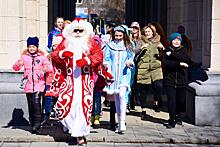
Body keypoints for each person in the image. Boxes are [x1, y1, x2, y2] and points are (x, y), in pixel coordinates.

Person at [49, 18, 103, 145]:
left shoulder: (91, 44)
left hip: (85, 82)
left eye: (80, 30)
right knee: (62, 108)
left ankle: (80, 135)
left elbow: (99, 56)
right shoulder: (65, 42)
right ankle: (72, 128)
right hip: (69, 81)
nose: (78, 33)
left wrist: (88, 61)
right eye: (75, 30)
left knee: (82, 108)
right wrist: (62, 54)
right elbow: (54, 55)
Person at [12, 37, 52, 133]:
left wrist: (45, 68)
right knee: (31, 105)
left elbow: (49, 67)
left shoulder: (42, 57)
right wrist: (18, 63)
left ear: (37, 47)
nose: (32, 48)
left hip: (39, 84)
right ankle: (32, 122)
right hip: (29, 84)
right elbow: (15, 68)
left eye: (33, 46)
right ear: (28, 47)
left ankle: (37, 123)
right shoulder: (24, 57)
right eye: (30, 46)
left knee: (37, 102)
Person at [103, 25, 134, 133]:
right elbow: (106, 58)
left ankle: (122, 122)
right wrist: (107, 65)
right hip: (113, 75)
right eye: (116, 35)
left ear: (124, 35)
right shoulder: (110, 45)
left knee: (122, 95)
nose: (118, 37)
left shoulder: (128, 45)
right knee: (115, 98)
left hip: (124, 74)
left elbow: (131, 57)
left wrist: (129, 62)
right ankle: (116, 122)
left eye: (120, 36)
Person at [161, 33, 191, 128]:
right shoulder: (166, 51)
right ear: (171, 41)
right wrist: (179, 64)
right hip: (170, 79)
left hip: (182, 80)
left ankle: (178, 117)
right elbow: (166, 63)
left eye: (178, 40)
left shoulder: (183, 50)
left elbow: (186, 59)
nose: (176, 41)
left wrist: (173, 54)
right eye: (174, 40)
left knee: (181, 101)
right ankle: (171, 120)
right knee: (171, 101)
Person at [136, 24, 164, 119]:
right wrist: (140, 48)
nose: (147, 33)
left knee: (159, 85)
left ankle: (156, 101)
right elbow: (134, 53)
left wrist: (162, 49)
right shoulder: (140, 41)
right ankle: (143, 109)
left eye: (149, 31)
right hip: (143, 67)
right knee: (143, 90)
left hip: (156, 67)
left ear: (153, 32)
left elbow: (165, 55)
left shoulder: (158, 41)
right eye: (146, 32)